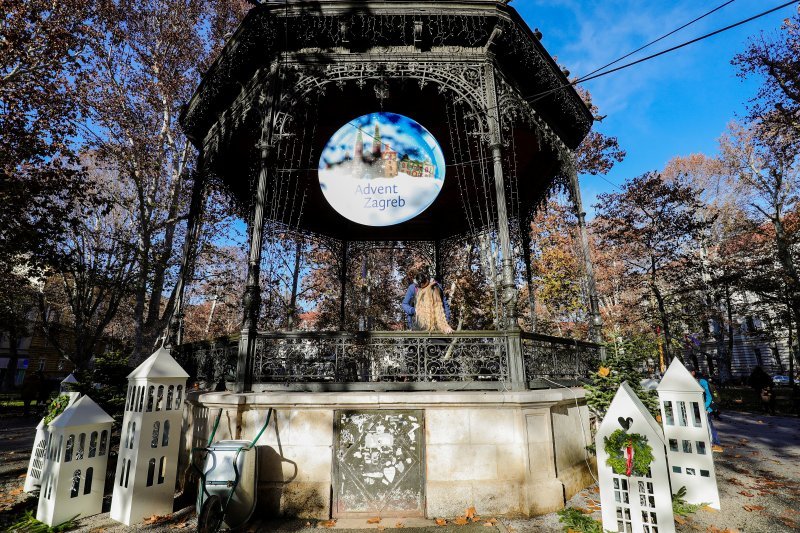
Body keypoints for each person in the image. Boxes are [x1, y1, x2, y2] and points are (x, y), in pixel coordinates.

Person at [401, 267, 452, 333]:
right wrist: (414, 310)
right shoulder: (412, 288)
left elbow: (444, 304)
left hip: (436, 323)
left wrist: (446, 323)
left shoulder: (436, 286)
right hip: (418, 324)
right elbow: (404, 304)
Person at [691, 369, 723, 452]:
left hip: (705, 407)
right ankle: (703, 444)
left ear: (693, 372)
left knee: (708, 425)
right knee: (701, 425)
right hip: (696, 406)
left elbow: (709, 396)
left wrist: (706, 409)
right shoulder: (690, 381)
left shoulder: (702, 381)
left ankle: (716, 444)